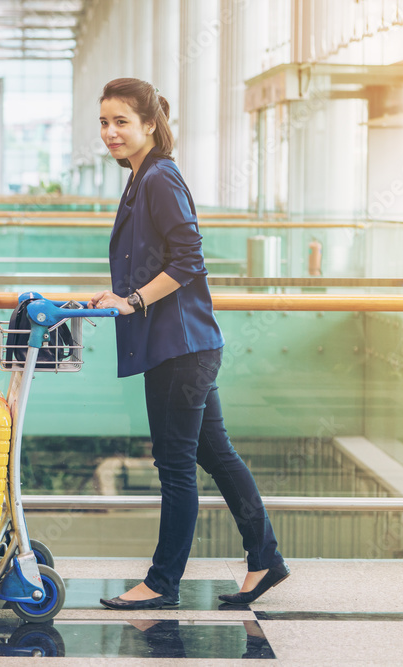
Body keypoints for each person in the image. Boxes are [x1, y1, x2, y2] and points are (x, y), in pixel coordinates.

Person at [89, 78, 289, 610]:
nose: (110, 132)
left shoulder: (159, 176)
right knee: (216, 454)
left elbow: (188, 260)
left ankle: (162, 582)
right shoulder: (141, 177)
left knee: (176, 466)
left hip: (180, 347)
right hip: (183, 343)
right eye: (104, 122)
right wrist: (119, 295)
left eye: (121, 122)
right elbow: (156, 260)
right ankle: (265, 558)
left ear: (150, 124)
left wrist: (131, 301)